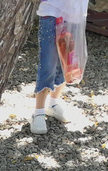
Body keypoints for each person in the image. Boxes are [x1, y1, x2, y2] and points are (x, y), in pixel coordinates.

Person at [31, 0, 89, 134]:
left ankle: (53, 102)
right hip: (52, 11)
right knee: (48, 62)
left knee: (67, 61)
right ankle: (38, 111)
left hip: (76, 14)